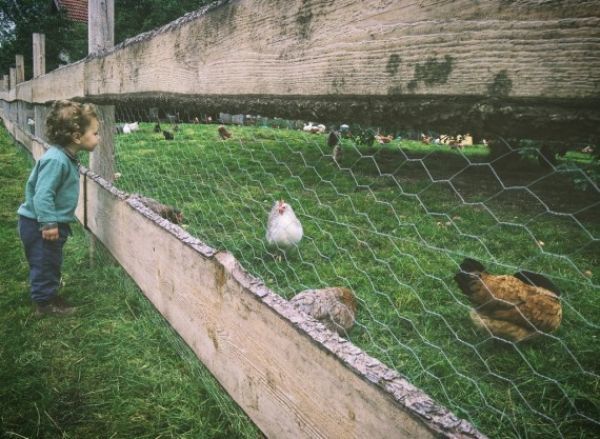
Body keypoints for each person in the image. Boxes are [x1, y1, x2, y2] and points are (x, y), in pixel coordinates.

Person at [17, 100, 100, 316]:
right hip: (40, 224)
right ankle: (44, 304)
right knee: (44, 263)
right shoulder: (57, 161)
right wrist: (48, 223)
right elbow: (43, 194)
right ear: (76, 136)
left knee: (50, 261)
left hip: (47, 223)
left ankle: (49, 295)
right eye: (95, 133)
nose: (98, 137)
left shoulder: (66, 157)